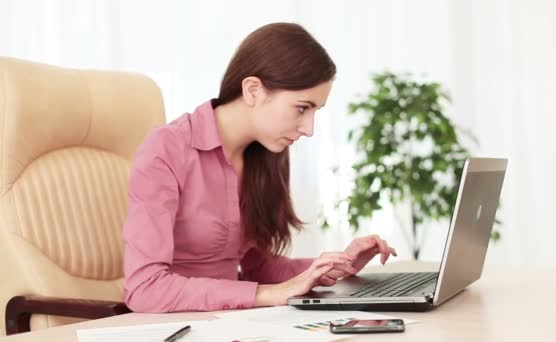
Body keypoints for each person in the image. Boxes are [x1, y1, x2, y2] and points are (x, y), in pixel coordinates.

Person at [122, 22, 397, 313]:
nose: (309, 129)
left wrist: (335, 265)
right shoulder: (166, 149)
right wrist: (272, 294)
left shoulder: (266, 154)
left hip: (232, 321)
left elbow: (258, 268)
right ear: (253, 90)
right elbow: (145, 289)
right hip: (173, 325)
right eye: (302, 108)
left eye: (316, 111)